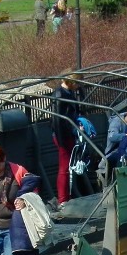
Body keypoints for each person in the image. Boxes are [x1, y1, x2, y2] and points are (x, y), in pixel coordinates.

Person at [50, 72, 84, 207]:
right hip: (63, 135)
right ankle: (63, 199)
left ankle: (66, 196)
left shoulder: (68, 93)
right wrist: (62, 140)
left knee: (68, 166)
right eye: (77, 83)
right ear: (71, 82)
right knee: (64, 167)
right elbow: (57, 120)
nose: (78, 86)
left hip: (68, 134)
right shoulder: (60, 95)